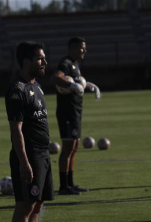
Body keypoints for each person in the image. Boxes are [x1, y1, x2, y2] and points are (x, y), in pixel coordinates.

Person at [5, 41, 59, 222]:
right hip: (29, 157)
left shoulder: (37, 86)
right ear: (26, 62)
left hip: (43, 155)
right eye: (39, 59)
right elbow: (16, 130)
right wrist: (24, 162)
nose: (44, 62)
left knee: (37, 206)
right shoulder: (17, 90)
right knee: (25, 206)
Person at [50, 37, 101, 195]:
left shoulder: (74, 64)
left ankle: (70, 184)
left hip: (75, 111)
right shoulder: (65, 63)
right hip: (67, 112)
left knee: (75, 147)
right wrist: (71, 85)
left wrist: (88, 85)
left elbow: (78, 82)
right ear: (72, 49)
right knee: (67, 149)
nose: (84, 51)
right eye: (81, 48)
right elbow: (56, 78)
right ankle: (64, 186)